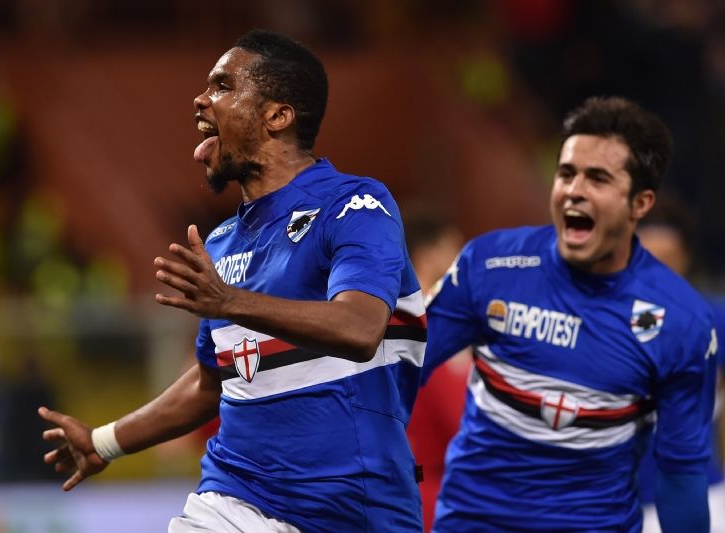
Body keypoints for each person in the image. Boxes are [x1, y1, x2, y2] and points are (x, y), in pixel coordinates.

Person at [38, 29, 426, 533]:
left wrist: (230, 301)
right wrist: (104, 442)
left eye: (223, 86)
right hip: (235, 496)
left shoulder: (356, 206)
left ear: (277, 116)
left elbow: (360, 327)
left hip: (354, 508)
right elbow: (211, 379)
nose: (201, 100)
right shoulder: (220, 244)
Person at [424, 96, 718, 532]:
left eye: (597, 178)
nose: (573, 190)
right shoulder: (488, 265)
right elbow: (393, 375)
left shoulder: (682, 321)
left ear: (640, 203)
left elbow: (681, 475)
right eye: (566, 173)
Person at [635, 199, 725, 533]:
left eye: (667, 262)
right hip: (622, 501)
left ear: (685, 258)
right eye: (647, 261)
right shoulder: (603, 324)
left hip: (701, 496)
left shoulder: (714, 319)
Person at [402, 213, 471, 532]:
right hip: (436, 502)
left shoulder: (382, 320)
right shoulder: (439, 326)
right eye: (454, 250)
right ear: (430, 255)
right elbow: (460, 423)